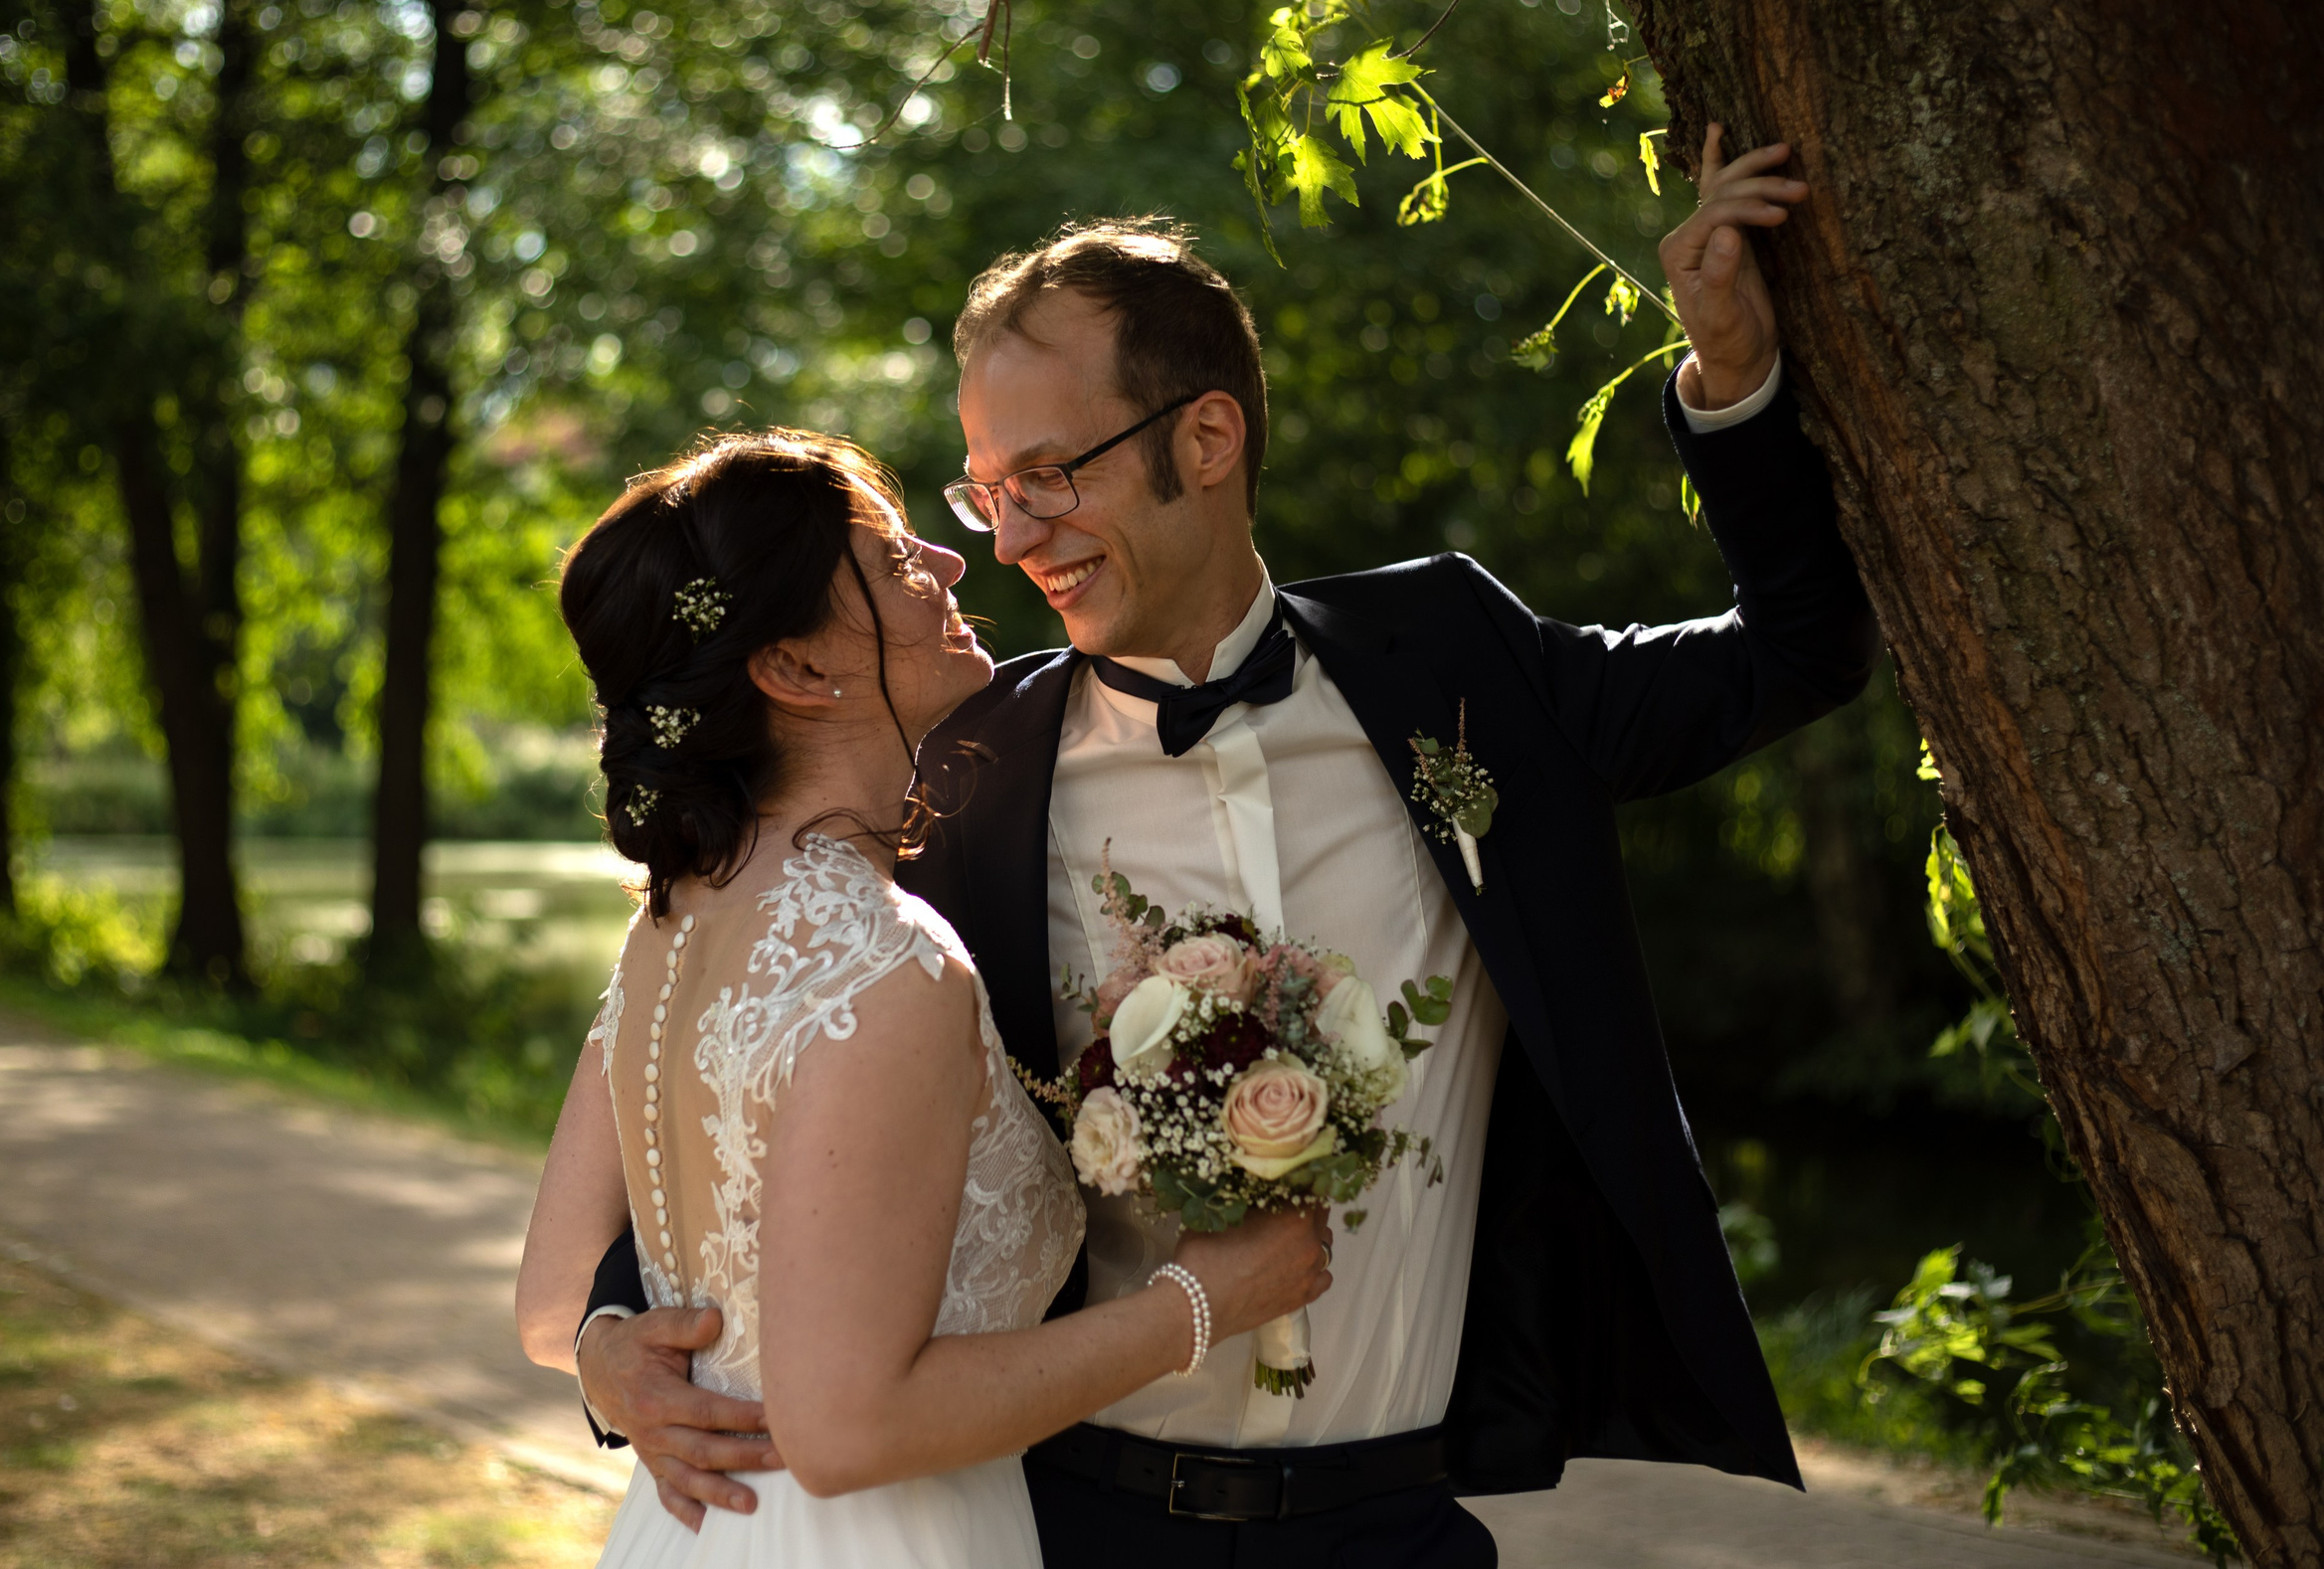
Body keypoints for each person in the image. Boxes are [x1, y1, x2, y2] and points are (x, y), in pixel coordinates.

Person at [573, 125, 1877, 1567]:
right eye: (987, 492)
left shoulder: (1458, 667)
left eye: (1051, 475)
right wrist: (609, 1331)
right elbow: (764, 1076)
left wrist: (1736, 382)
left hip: (1398, 1523)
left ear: (1206, 436)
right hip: (1070, 1523)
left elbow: (1799, 653)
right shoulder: (962, 771)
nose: (1012, 540)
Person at [514, 432, 1333, 1568]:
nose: (953, 566)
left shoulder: (673, 924)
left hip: (693, 1532)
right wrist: (1199, 1302)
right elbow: (849, 1428)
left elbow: (554, 1304)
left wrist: (613, 1345)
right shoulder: (885, 964)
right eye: (896, 566)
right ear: (796, 670)